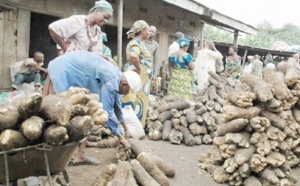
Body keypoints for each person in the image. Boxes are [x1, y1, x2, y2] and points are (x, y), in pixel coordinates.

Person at [48, 51, 142, 163]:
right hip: (64, 69)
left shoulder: (117, 78)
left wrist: (126, 129)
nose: (125, 95)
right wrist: (120, 137)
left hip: (73, 70)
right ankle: (57, 156)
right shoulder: (112, 80)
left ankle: (80, 155)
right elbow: (107, 112)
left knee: (88, 114)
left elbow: (117, 105)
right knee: (63, 113)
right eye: (127, 92)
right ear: (124, 85)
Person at [43, 0, 115, 96]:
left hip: (82, 73)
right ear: (97, 11)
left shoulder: (98, 31)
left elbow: (96, 54)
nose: (106, 21)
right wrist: (65, 48)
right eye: (105, 17)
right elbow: (53, 28)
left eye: (108, 19)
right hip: (68, 69)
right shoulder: (79, 21)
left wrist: (107, 60)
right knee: (62, 101)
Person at [122, 20, 152, 127]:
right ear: (142, 31)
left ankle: (136, 127)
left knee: (139, 101)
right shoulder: (136, 43)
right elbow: (133, 55)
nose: (149, 33)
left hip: (142, 80)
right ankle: (134, 128)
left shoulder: (140, 43)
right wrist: (140, 69)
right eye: (148, 30)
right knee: (137, 101)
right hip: (139, 78)